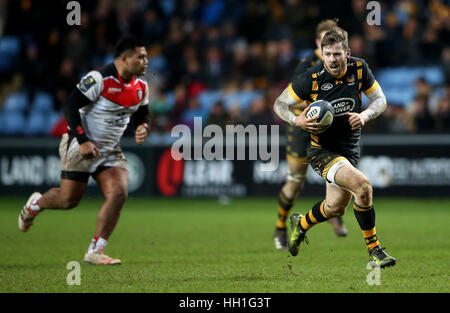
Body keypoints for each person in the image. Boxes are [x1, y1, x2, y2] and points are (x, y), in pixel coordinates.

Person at [18, 37, 151, 265]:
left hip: (109, 151)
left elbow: (142, 113)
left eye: (146, 56)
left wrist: (143, 126)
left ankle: (95, 251)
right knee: (68, 201)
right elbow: (70, 106)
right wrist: (82, 140)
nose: (146, 61)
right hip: (80, 145)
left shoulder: (141, 86)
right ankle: (34, 206)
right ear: (124, 58)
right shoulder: (99, 78)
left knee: (119, 193)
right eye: (141, 56)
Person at [273, 29, 396, 268]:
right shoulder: (311, 78)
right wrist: (296, 120)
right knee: (363, 187)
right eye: (327, 54)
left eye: (337, 53)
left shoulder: (359, 69)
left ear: (347, 53)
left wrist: (365, 115)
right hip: (322, 151)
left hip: (348, 151)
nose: (332, 59)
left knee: (335, 208)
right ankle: (375, 252)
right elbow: (280, 103)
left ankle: (301, 224)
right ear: (322, 53)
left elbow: (380, 100)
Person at [274, 20, 348, 251]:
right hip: (303, 127)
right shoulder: (307, 65)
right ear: (318, 42)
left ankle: (334, 212)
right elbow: (288, 100)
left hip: (331, 129)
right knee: (296, 181)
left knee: (337, 173)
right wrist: (307, 118)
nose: (330, 46)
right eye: (326, 40)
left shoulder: (344, 63)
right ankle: (280, 228)